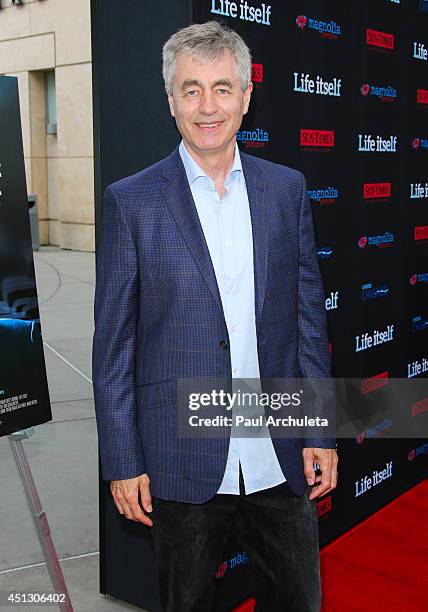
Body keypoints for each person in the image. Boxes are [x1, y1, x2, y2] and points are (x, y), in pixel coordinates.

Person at [93, 21, 338, 612]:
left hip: (275, 448)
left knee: (298, 601)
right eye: (192, 89)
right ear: (171, 99)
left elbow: (309, 322)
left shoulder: (285, 190)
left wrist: (321, 431)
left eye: (222, 88)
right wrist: (124, 461)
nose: (208, 106)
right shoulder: (132, 201)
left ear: (247, 96)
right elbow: (114, 348)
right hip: (180, 457)